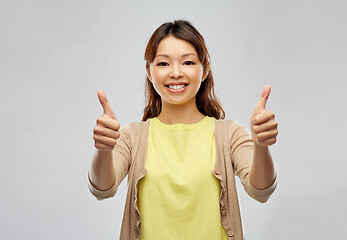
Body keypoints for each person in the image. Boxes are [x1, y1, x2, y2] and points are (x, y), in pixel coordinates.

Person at [88, 20, 278, 240]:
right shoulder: (132, 137)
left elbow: (261, 191)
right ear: (149, 72)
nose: (176, 73)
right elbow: (102, 189)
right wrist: (103, 150)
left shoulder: (229, 134)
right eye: (163, 64)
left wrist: (261, 147)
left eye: (187, 62)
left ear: (204, 69)